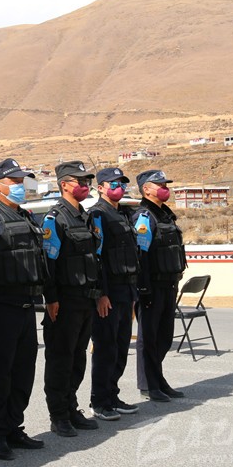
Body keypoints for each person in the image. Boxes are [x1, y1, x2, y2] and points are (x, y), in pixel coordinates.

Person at [0, 158, 47, 461]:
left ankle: (14, 427)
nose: (19, 186)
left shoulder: (26, 217)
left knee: (23, 372)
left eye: (21, 181)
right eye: (14, 181)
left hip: (26, 307)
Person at [40, 161, 100, 437]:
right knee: (60, 360)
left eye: (87, 181)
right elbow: (48, 263)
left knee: (77, 359)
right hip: (64, 302)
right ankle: (58, 415)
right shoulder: (55, 219)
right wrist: (51, 298)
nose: (85, 186)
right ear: (64, 184)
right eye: (80, 181)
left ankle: (71, 407)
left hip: (85, 300)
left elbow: (94, 259)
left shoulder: (84, 217)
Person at [88, 168, 140, 420]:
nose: (120, 187)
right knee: (105, 348)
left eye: (122, 183)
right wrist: (101, 293)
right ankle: (99, 401)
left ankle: (112, 394)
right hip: (109, 293)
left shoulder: (123, 214)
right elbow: (96, 258)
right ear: (101, 188)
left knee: (120, 347)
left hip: (126, 291)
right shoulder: (97, 214)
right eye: (114, 183)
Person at [132, 169, 187, 402]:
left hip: (168, 285)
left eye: (166, 185)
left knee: (164, 337)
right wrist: (143, 289)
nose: (166, 188)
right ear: (146, 189)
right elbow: (140, 255)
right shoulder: (144, 216)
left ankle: (158, 378)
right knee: (148, 338)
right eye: (160, 185)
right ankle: (148, 384)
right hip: (152, 287)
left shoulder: (165, 215)